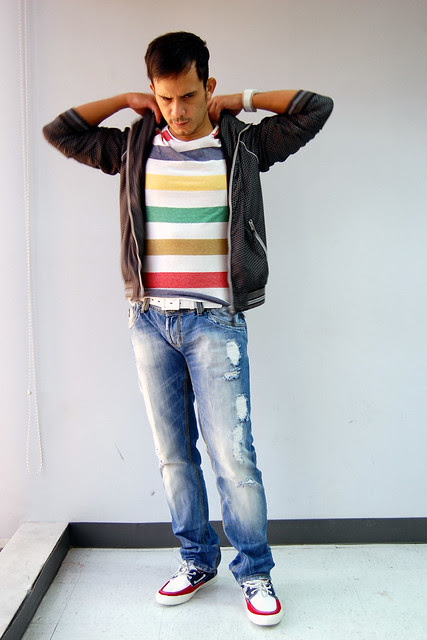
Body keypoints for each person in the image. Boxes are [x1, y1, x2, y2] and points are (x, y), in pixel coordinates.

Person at [43, 31, 333, 626]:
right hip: (149, 322)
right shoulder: (133, 146)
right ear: (154, 93)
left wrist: (244, 100)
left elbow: (314, 109)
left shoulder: (242, 145)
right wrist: (124, 100)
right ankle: (196, 560)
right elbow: (61, 131)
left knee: (234, 458)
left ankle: (255, 572)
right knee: (174, 456)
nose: (178, 111)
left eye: (190, 96)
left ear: (209, 87)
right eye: (166, 98)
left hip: (215, 324)